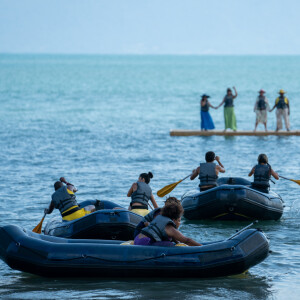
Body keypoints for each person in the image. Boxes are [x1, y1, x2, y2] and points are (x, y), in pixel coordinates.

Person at [134, 202, 202, 247]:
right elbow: (187, 240)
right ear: (174, 219)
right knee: (169, 245)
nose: (179, 223)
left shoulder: (159, 217)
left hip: (137, 239)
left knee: (169, 242)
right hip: (145, 243)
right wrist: (202, 247)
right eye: (179, 220)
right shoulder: (170, 228)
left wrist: (178, 243)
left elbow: (176, 240)